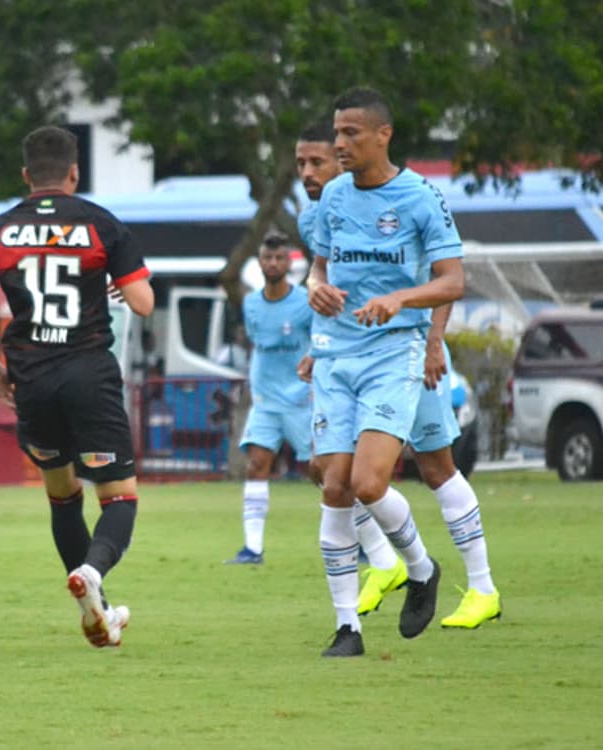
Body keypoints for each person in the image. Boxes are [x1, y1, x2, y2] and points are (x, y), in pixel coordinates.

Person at [295, 119, 501, 630]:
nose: (309, 170)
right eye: (302, 162)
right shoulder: (325, 208)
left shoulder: (416, 198)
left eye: (317, 159)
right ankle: (387, 565)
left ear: (380, 136)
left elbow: (444, 279)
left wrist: (434, 344)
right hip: (347, 354)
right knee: (332, 472)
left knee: (434, 468)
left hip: (409, 353)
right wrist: (314, 322)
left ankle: (481, 587)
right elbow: (327, 277)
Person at [0, 125, 155, 648]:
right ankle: (93, 573)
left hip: (32, 381)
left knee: (63, 496)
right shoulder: (100, 224)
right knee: (119, 500)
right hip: (89, 373)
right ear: (74, 173)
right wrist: (116, 278)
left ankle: (99, 612)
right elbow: (142, 303)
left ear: (25, 177)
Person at [224, 233, 313, 565]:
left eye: (279, 258)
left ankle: (362, 540)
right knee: (256, 466)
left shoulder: (306, 302)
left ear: (289, 263)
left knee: (325, 473)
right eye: (267, 258)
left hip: (302, 400)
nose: (272, 263)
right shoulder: (250, 304)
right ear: (259, 262)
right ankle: (253, 549)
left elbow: (319, 341)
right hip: (265, 402)